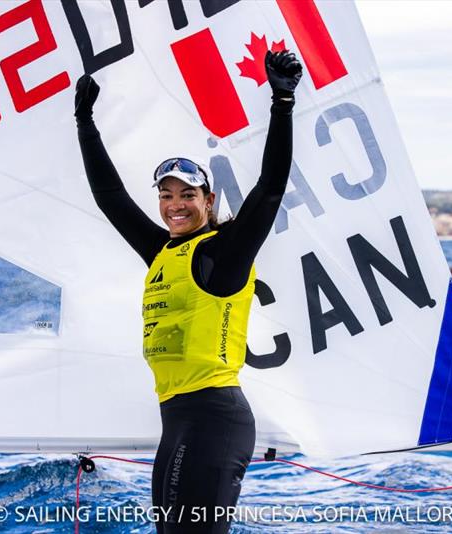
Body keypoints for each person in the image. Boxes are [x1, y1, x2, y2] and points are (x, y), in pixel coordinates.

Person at [74, 50, 302, 533]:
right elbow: (110, 197)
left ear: (208, 200)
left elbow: (270, 188)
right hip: (177, 420)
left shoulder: (224, 251)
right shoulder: (161, 250)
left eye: (187, 194)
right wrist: (84, 121)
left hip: (214, 418)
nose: (174, 204)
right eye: (166, 194)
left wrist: (282, 103)